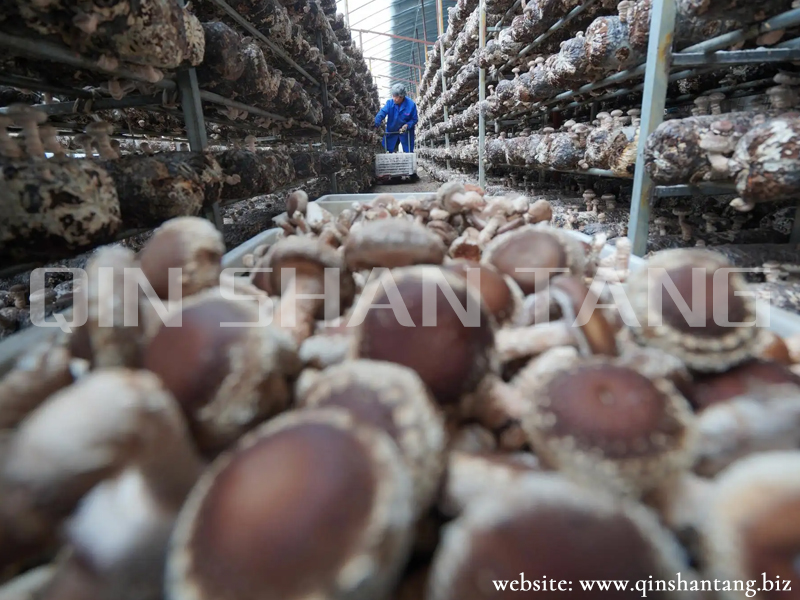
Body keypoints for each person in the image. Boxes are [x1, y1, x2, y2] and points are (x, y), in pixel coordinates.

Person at [374, 83, 418, 153]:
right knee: (388, 151)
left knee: (408, 152)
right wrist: (376, 124)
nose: (395, 99)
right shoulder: (389, 103)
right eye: (393, 96)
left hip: (406, 133)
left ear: (402, 97)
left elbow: (414, 119)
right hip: (392, 132)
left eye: (397, 97)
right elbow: (382, 113)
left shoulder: (411, 105)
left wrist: (407, 125)